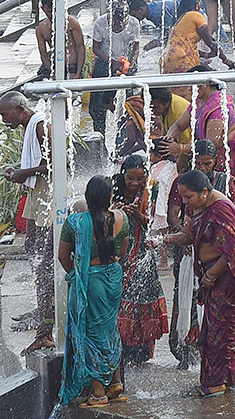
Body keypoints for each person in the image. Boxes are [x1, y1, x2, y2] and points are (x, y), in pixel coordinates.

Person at [168, 170, 235, 397]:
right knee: (211, 329)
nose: (185, 203)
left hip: (227, 275)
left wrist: (210, 276)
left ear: (204, 192)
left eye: (188, 197)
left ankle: (216, 384)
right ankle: (215, 381)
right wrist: (163, 239)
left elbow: (234, 250)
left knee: (221, 331)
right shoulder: (200, 205)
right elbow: (188, 235)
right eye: (183, 198)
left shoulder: (221, 209)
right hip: (214, 275)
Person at [58, 175, 129, 406]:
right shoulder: (122, 218)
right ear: (110, 197)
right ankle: (116, 382)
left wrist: (76, 275)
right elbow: (123, 249)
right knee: (109, 329)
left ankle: (98, 393)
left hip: (91, 280)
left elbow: (62, 256)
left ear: (88, 197)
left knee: (90, 334)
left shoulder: (75, 222)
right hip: (113, 278)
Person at [162, 71, 235, 228]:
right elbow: (179, 125)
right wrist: (169, 137)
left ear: (207, 84)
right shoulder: (198, 102)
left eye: (197, 85)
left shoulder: (217, 107)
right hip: (218, 156)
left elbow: (212, 142)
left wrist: (180, 148)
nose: (192, 89)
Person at [2, 92, 55, 354]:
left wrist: (25, 172)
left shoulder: (41, 126)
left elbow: (58, 161)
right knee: (32, 248)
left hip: (49, 195)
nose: (3, 120)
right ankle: (43, 307)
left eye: (4, 115)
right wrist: (21, 171)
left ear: (19, 109)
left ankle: (46, 326)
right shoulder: (29, 126)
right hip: (36, 193)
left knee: (45, 261)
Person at [113, 154, 168, 366]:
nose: (135, 184)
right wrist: (116, 211)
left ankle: (141, 350)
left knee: (142, 298)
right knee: (120, 298)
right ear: (123, 176)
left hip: (142, 251)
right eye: (131, 179)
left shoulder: (152, 189)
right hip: (120, 252)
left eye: (140, 179)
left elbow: (154, 224)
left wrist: (138, 216)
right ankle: (121, 347)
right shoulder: (113, 186)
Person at [89, 0, 141, 138]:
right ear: (111, 16)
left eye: (122, 22)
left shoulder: (134, 23)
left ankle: (124, 138)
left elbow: (135, 48)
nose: (119, 25)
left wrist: (131, 62)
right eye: (116, 21)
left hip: (125, 66)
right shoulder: (101, 23)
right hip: (104, 65)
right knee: (98, 106)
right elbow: (96, 48)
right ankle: (100, 137)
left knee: (127, 105)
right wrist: (111, 62)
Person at [35, 0, 85, 80]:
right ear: (43, 9)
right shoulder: (41, 29)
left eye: (56, 10)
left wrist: (78, 73)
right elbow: (43, 55)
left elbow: (80, 47)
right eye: (49, 11)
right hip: (55, 66)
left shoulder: (72, 23)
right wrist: (52, 71)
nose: (54, 14)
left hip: (72, 66)